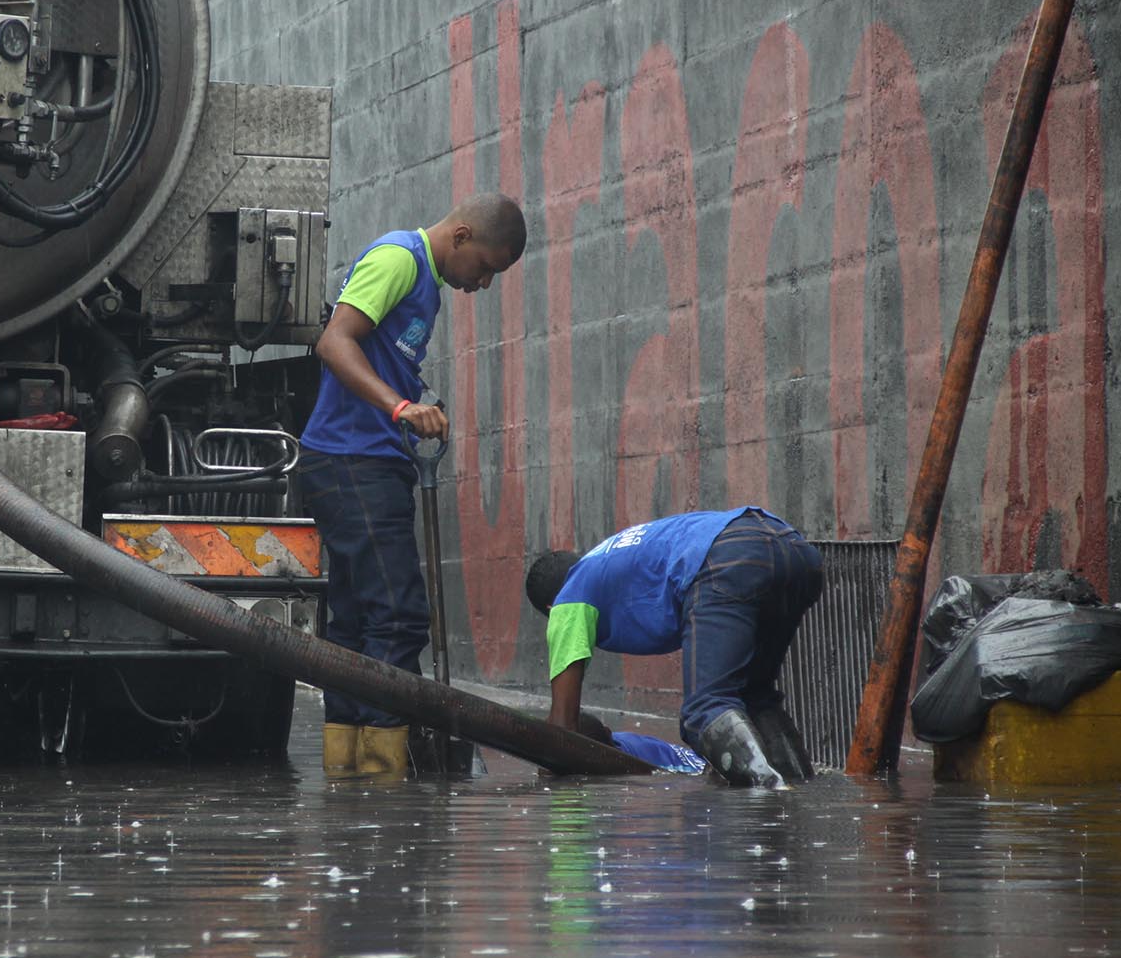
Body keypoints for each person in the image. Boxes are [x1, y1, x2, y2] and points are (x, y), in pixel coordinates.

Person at [298, 194, 527, 776]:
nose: (483, 285)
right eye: (486, 268)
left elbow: (376, 357)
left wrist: (407, 401)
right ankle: (386, 777)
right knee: (399, 615)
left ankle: (348, 773)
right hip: (352, 462)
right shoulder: (400, 258)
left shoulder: (428, 283)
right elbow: (334, 343)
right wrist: (400, 407)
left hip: (364, 461)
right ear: (462, 235)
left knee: (354, 622)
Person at [525, 508, 822, 787]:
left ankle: (768, 791)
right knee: (756, 699)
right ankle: (801, 793)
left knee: (705, 708)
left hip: (725, 558)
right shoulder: (606, 561)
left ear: (552, 609)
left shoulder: (569, 598)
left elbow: (561, 733)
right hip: (794, 550)